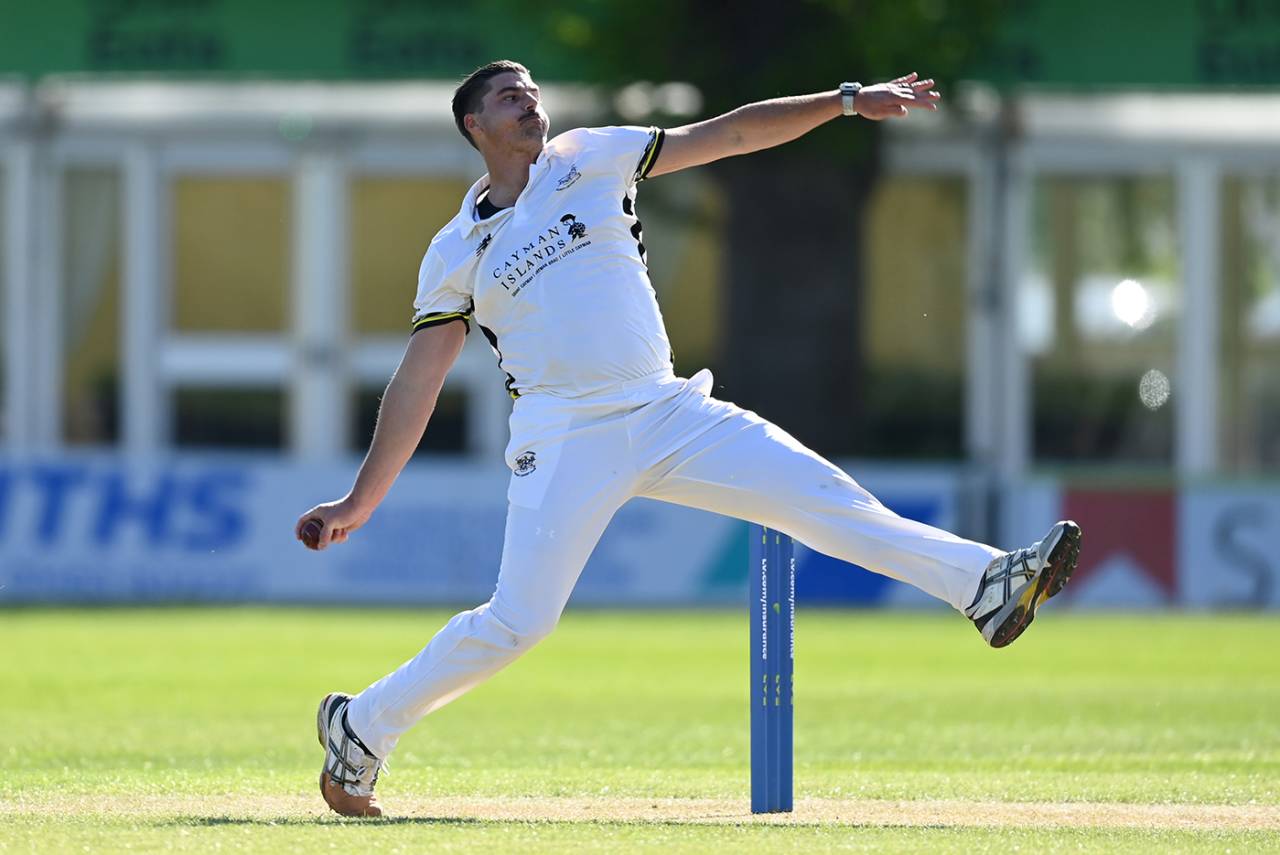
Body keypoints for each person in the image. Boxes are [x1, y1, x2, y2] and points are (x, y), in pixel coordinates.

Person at [296, 60, 1083, 818]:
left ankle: (986, 584)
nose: (530, 102)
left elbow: (732, 134)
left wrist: (844, 102)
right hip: (564, 434)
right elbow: (418, 379)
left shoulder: (589, 156)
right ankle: (360, 726)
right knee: (518, 621)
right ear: (475, 125)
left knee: (823, 500)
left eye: (532, 90)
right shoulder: (455, 249)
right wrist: (363, 496)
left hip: (667, 409)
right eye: (509, 96)